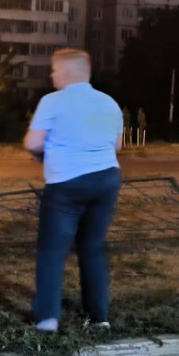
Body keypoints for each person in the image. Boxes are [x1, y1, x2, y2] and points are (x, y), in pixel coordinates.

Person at [23, 49, 123, 332]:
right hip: (106, 180)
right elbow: (116, 146)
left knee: (53, 251)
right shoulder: (109, 103)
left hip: (67, 183)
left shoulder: (52, 102)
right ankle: (99, 318)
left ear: (66, 72)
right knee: (92, 248)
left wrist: (45, 154)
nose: (52, 75)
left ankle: (47, 319)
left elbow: (32, 142)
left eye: (54, 70)